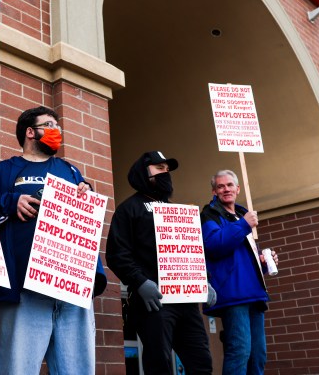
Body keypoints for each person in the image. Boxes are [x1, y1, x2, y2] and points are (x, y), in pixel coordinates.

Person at [0, 106, 107, 375]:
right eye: (49, 124)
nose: (56, 130)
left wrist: (86, 194)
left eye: (58, 125)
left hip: (72, 291)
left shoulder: (70, 171)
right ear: (29, 132)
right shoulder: (3, 172)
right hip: (23, 293)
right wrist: (11, 203)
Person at [106, 151, 214, 375]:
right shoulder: (130, 209)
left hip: (186, 301)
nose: (165, 173)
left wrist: (204, 282)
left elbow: (191, 253)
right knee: (159, 363)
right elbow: (118, 254)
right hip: (154, 303)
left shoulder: (177, 211)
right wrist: (140, 282)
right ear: (143, 173)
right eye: (159, 168)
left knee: (201, 361)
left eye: (167, 169)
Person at [201, 169, 278, 375]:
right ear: (214, 191)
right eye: (220, 186)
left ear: (237, 188)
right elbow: (214, 245)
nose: (226, 189)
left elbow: (241, 257)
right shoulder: (210, 214)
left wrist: (262, 262)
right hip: (233, 293)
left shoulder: (242, 216)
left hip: (253, 292)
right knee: (240, 351)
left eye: (229, 185)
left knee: (258, 355)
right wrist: (244, 224)